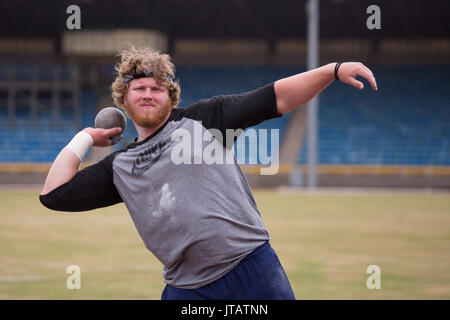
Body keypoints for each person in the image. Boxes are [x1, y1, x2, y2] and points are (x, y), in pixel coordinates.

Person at [39, 48, 377, 300]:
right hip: (187, 290)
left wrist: (332, 70)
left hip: (252, 270)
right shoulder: (121, 167)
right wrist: (84, 137)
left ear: (169, 96)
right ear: (123, 100)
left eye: (156, 88)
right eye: (138, 89)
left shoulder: (205, 119)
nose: (147, 94)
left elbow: (278, 97)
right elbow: (54, 194)